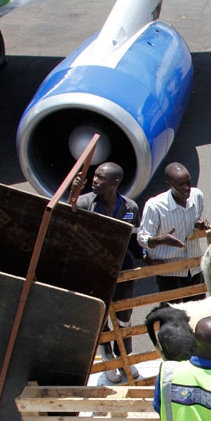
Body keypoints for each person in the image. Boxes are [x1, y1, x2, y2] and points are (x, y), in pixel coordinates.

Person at [74, 162, 141, 384]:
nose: (94, 180)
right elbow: (68, 219)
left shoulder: (130, 207)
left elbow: (134, 240)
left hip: (123, 268)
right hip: (94, 269)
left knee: (124, 316)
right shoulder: (84, 203)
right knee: (100, 313)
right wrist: (73, 195)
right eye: (94, 176)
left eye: (100, 178)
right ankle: (108, 356)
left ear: (115, 182)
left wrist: (147, 257)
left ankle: (125, 356)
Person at [138, 163, 208, 296]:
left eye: (188, 182)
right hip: (170, 271)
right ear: (169, 185)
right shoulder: (154, 206)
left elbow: (196, 220)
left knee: (199, 310)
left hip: (194, 266)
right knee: (173, 314)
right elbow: (142, 239)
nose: (187, 188)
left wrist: (199, 225)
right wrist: (161, 240)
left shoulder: (197, 196)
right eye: (181, 185)